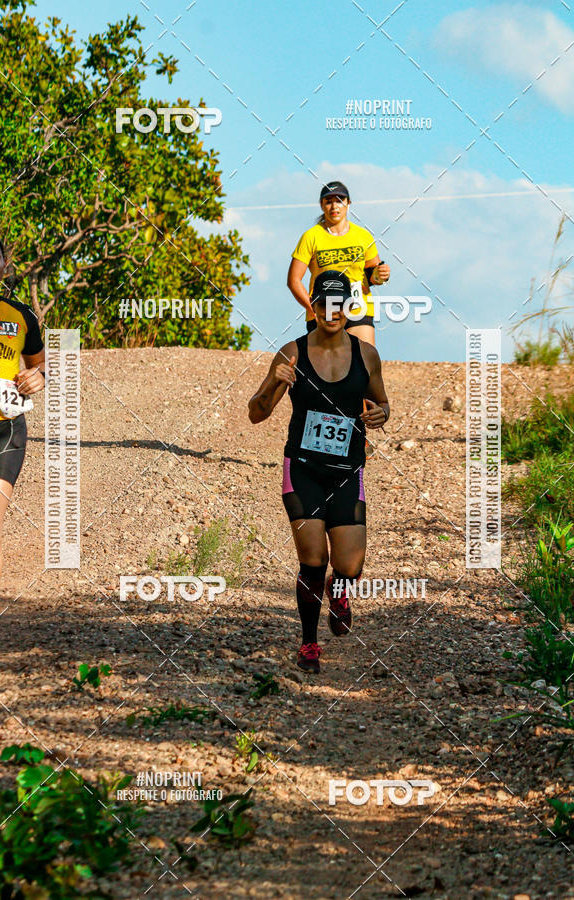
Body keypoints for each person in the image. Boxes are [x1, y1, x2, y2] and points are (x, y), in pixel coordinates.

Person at [248, 271, 390, 674]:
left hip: (347, 472)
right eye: (323, 303)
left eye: (339, 303)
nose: (331, 311)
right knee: (313, 559)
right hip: (304, 472)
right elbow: (256, 414)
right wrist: (273, 385)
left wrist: (382, 414)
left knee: (349, 566)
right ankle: (309, 643)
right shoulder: (292, 353)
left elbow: (382, 403)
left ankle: (339, 592)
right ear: (313, 306)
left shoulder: (367, 355)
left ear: (349, 308)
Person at [0, 230, 45, 665]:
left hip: (2, 428)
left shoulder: (21, 315)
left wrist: (38, 379)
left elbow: (39, 366)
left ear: (5, 264)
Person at [287, 181, 390, 347]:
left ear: (348, 203)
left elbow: (373, 276)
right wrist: (313, 307)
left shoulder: (363, 236)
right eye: (328, 201)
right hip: (324, 310)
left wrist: (382, 274)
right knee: (328, 370)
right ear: (322, 205)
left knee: (364, 362)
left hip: (357, 308)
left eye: (340, 200)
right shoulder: (311, 237)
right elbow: (293, 280)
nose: (334, 206)